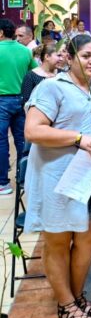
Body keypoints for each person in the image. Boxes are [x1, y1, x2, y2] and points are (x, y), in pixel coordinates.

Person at [24, 34, 91, 318]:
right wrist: (76, 138)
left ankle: (77, 295)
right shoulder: (52, 88)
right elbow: (33, 131)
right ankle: (65, 303)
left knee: (90, 236)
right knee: (58, 239)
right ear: (68, 56)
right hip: (57, 176)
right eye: (86, 55)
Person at [0, 19, 38, 195]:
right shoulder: (25, 52)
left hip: (2, 102)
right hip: (22, 101)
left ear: (1, 33)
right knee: (22, 140)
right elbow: (36, 72)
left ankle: (3, 183)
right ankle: (25, 181)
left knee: (1, 142)